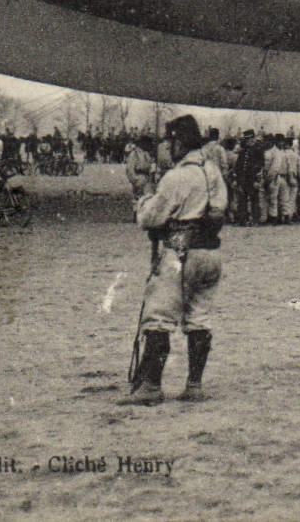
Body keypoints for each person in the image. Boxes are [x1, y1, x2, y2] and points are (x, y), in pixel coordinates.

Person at [122, 115, 227, 405]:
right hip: (211, 252)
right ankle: (194, 385)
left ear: (179, 143)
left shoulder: (177, 177)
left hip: (180, 253)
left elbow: (150, 218)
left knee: (158, 317)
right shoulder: (212, 172)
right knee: (199, 317)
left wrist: (144, 200)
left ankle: (151, 387)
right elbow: (219, 209)